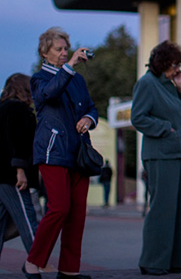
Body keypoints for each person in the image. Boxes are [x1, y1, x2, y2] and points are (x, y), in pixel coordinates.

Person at [24, 27, 99, 279]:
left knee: (77, 214)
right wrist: (70, 66)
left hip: (79, 153)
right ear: (45, 53)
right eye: (58, 49)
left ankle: (69, 271)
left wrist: (89, 118)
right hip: (52, 151)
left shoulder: (77, 79)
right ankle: (33, 262)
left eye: (66, 48)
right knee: (59, 208)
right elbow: (50, 93)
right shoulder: (39, 79)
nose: (64, 53)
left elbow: (91, 106)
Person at [131, 41, 181, 276]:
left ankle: (173, 261)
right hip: (159, 154)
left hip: (175, 152)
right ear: (163, 62)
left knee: (177, 209)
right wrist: (165, 128)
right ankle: (152, 261)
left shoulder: (169, 84)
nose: (177, 69)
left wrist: (180, 87)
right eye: (174, 64)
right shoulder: (147, 83)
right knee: (161, 209)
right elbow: (138, 117)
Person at [0, 74, 39, 259]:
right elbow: (17, 142)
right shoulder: (18, 109)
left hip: (2, 175)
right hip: (12, 175)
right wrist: (20, 170)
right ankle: (38, 262)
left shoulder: (2, 108)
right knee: (27, 218)